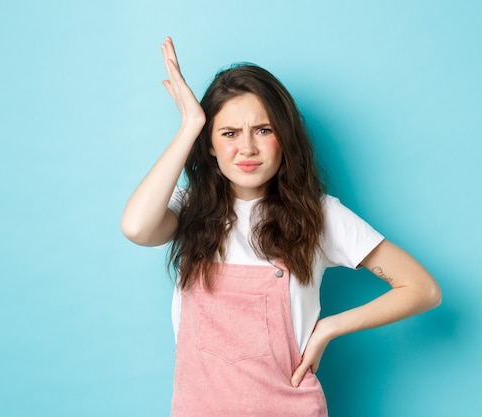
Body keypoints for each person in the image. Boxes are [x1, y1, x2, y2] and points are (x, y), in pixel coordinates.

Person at [121, 36, 442, 417]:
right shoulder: (186, 207)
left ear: (284, 138)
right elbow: (137, 228)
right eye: (229, 133)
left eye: (264, 130)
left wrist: (329, 328)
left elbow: (422, 289)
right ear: (209, 144)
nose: (247, 148)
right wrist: (190, 124)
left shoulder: (319, 215)